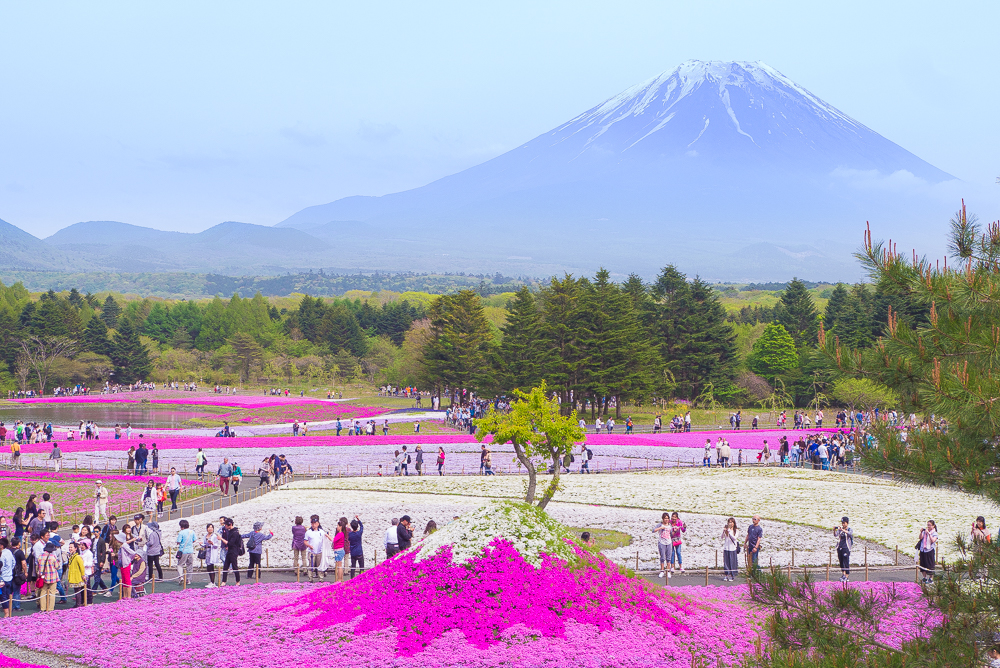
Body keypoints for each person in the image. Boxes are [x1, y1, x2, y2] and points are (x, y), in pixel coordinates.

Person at [304, 515, 330, 581]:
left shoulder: (321, 532)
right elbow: (305, 541)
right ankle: (310, 578)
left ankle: (320, 578)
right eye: (312, 523)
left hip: (319, 551)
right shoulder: (308, 532)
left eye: (315, 523)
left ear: (318, 524)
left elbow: (326, 539)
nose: (313, 525)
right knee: (311, 566)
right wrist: (309, 546)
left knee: (320, 565)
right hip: (312, 552)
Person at [37, 543, 61, 612]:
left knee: (43, 592)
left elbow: (38, 566)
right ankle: (50, 608)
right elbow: (57, 567)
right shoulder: (53, 557)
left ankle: (43, 608)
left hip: (43, 577)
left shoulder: (40, 557)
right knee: (52, 593)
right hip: (53, 577)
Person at [219, 518, 243, 585]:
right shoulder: (230, 531)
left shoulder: (235, 532)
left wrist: (221, 539)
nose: (225, 526)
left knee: (235, 566)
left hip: (234, 551)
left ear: (230, 524)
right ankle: (224, 581)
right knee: (225, 566)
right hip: (229, 551)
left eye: (226, 525)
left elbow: (230, 543)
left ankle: (237, 581)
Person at [200, 523, 223, 588]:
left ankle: (213, 582)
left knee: (211, 567)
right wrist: (201, 544)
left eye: (211, 527)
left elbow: (216, 546)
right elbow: (205, 544)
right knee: (208, 567)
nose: (210, 529)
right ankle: (211, 581)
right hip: (207, 552)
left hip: (212, 552)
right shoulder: (205, 536)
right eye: (209, 527)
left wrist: (212, 543)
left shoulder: (214, 536)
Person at [175, 519, 197, 586]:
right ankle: (189, 579)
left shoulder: (181, 532)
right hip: (190, 550)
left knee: (180, 564)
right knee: (189, 565)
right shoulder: (192, 532)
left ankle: (181, 577)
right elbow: (194, 540)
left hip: (183, 551)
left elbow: (178, 541)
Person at [653, 513, 673, 579]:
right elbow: (653, 530)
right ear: (663, 519)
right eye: (665, 518)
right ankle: (662, 570)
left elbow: (671, 534)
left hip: (669, 542)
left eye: (667, 518)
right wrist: (660, 528)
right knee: (662, 557)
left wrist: (674, 531)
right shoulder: (660, 525)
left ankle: (668, 571)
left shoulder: (670, 526)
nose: (666, 520)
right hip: (662, 542)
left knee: (668, 557)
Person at [66, 541, 86, 607]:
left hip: (77, 577)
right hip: (74, 576)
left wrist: (83, 575)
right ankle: (78, 603)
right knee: (77, 591)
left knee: (78, 591)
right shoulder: (71, 556)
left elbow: (82, 567)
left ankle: (78, 604)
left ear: (75, 548)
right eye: (69, 547)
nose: (70, 548)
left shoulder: (77, 557)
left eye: (71, 547)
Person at [918, 520, 938, 584]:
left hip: (930, 550)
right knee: (923, 564)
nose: (928, 526)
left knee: (930, 564)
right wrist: (921, 532)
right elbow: (920, 538)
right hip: (923, 550)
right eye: (928, 525)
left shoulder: (934, 533)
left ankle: (930, 578)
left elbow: (933, 540)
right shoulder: (924, 532)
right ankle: (924, 577)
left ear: (933, 526)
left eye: (929, 525)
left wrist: (929, 534)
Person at [834, 516, 853, 583]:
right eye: (842, 523)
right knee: (841, 561)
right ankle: (843, 574)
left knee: (846, 561)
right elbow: (836, 535)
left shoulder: (849, 529)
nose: (843, 524)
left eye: (844, 523)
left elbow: (850, 534)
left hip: (846, 547)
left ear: (847, 523)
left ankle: (847, 576)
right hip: (840, 547)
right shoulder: (840, 530)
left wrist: (843, 530)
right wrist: (835, 530)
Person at [331, 517, 349, 583]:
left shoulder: (340, 534)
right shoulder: (342, 534)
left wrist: (327, 536)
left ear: (340, 527)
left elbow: (334, 540)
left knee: (339, 565)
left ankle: (339, 579)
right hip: (340, 550)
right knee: (339, 565)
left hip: (339, 550)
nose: (337, 527)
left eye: (338, 526)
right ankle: (341, 579)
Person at [0, 538, 14, 617]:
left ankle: (6, 613)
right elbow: (13, 562)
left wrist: (3, 571)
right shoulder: (9, 552)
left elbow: (0, 566)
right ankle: (9, 611)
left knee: (3, 596)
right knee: (9, 595)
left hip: (3, 578)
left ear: (1, 546)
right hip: (9, 577)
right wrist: (10, 570)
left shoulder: (2, 554)